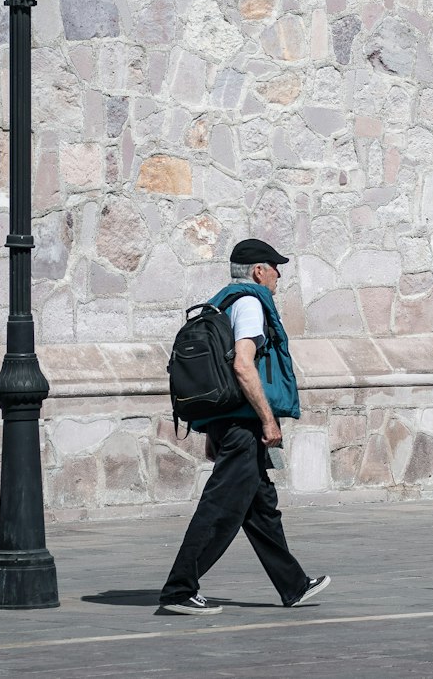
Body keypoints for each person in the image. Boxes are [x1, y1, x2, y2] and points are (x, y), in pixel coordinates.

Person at [158, 237, 330, 615]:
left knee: (261, 509)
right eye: (274, 267)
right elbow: (241, 366)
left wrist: (210, 430)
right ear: (258, 270)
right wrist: (269, 420)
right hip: (242, 425)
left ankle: (293, 585)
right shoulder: (251, 303)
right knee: (220, 508)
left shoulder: (222, 301)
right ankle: (178, 589)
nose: (279, 274)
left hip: (227, 422)